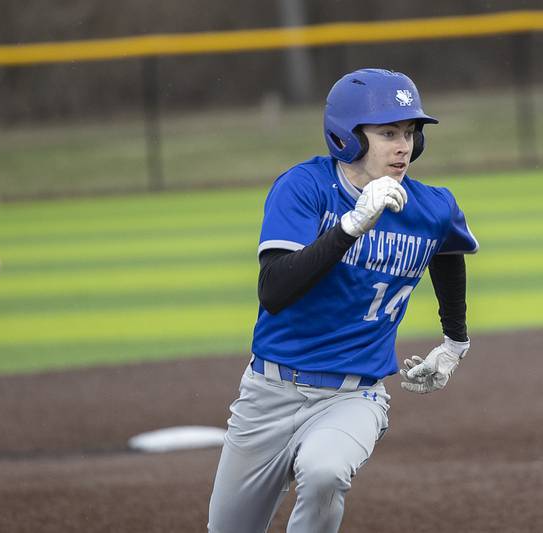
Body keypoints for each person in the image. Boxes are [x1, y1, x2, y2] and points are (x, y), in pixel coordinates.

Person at [207, 68, 478, 532]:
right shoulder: (304, 188)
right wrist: (352, 225)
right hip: (268, 393)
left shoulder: (431, 206)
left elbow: (449, 252)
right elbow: (274, 291)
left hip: (355, 396)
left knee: (325, 472)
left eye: (411, 132)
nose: (403, 145)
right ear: (346, 137)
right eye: (388, 132)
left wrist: (454, 342)